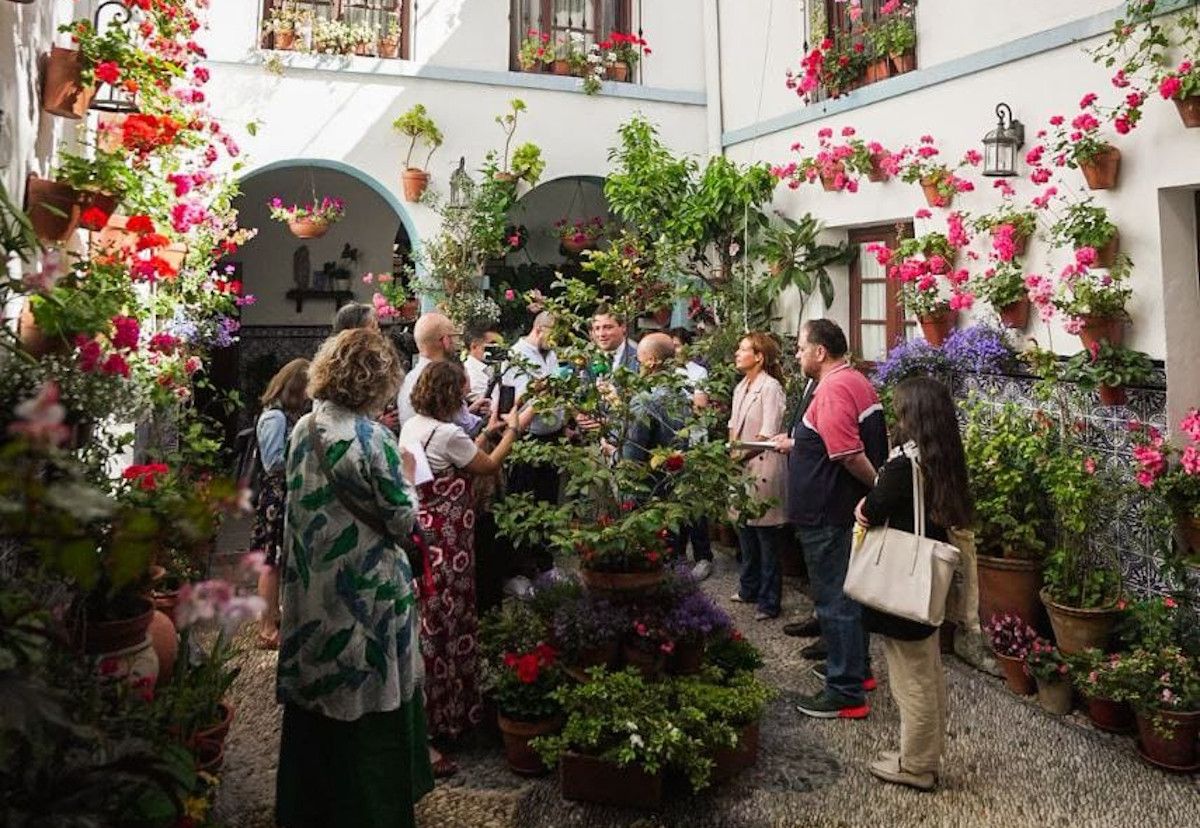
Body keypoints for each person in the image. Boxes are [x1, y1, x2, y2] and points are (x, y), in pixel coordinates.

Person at [276, 328, 432, 828]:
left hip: (312, 585)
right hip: (367, 591)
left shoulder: (304, 428)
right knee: (368, 692)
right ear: (376, 381)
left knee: (320, 687)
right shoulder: (372, 438)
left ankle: (310, 807)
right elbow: (401, 519)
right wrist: (408, 474)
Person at [399, 361, 529, 761]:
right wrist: (512, 430)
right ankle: (452, 712)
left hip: (425, 531)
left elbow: (457, 455)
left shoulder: (414, 426)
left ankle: (434, 710)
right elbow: (487, 464)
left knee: (431, 615)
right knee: (453, 616)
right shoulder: (448, 433)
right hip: (451, 539)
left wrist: (486, 431)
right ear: (450, 394)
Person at [855, 376, 973, 791]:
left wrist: (864, 506)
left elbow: (872, 508)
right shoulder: (941, 458)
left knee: (912, 681)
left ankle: (917, 766)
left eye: (900, 408)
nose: (896, 415)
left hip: (903, 584)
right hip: (926, 582)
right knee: (926, 672)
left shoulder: (905, 465)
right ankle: (919, 754)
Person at [771, 319, 888, 719]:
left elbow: (847, 453)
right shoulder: (853, 380)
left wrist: (878, 488)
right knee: (846, 596)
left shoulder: (835, 388)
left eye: (801, 348)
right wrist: (798, 444)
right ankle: (857, 669)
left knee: (835, 600)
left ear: (820, 352)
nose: (798, 355)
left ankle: (845, 691)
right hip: (836, 509)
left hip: (828, 513)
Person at [496, 311, 565, 591]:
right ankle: (519, 570)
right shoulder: (516, 357)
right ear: (539, 330)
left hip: (553, 437)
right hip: (527, 440)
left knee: (547, 502)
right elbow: (510, 406)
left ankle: (544, 564)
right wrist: (539, 395)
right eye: (554, 337)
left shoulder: (550, 354)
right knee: (523, 503)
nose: (557, 343)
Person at [727, 333, 789, 621]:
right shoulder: (741, 386)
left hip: (763, 466)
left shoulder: (770, 387)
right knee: (745, 532)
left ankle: (769, 601)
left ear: (759, 357)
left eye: (743, 349)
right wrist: (732, 455)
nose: (737, 354)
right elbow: (733, 426)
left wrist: (738, 457)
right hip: (741, 466)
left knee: (766, 537)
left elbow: (768, 434)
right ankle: (748, 588)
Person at [250, 358, 310, 649]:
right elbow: (273, 461)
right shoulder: (275, 418)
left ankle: (273, 615)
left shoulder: (281, 415)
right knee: (270, 561)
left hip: (281, 494)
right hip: (276, 495)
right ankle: (266, 628)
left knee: (274, 559)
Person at [669, 327, 713, 580]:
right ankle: (676, 555)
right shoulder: (662, 373)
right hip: (668, 444)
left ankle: (703, 555)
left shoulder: (698, 372)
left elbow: (699, 408)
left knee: (694, 503)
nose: (674, 350)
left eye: (677, 345)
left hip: (693, 443)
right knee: (673, 502)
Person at [396, 312, 488, 433]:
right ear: (446, 341)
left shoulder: (409, 378)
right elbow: (466, 428)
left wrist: (469, 411)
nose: (457, 343)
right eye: (455, 336)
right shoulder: (442, 381)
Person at [591, 306, 639, 375]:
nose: (601, 334)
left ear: (623, 327)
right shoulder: (587, 359)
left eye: (608, 327)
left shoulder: (638, 358)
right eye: (597, 328)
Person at [463, 326, 503, 402]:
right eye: (492, 345)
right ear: (474, 346)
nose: (497, 349)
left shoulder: (491, 369)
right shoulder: (470, 374)